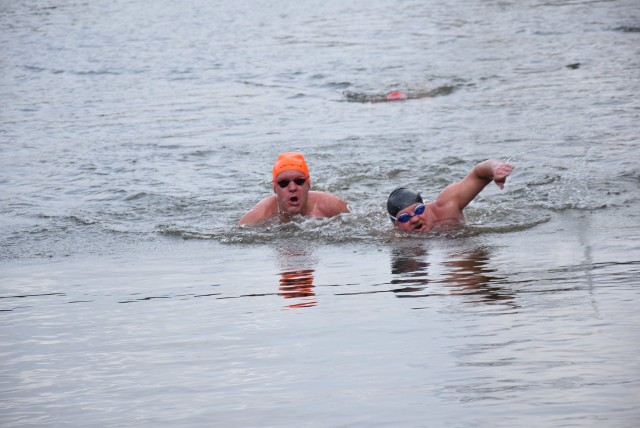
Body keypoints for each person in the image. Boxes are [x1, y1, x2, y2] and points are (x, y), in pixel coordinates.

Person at [387, 159, 514, 232]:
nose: (415, 219)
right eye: (404, 218)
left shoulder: (447, 205)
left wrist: (495, 168)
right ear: (395, 225)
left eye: (419, 210)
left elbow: (479, 174)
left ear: (425, 206)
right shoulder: (397, 239)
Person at [238, 152, 349, 225]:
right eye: (284, 183)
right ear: (275, 188)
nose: (292, 188)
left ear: (308, 184)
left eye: (299, 181)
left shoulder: (333, 206)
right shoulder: (256, 217)